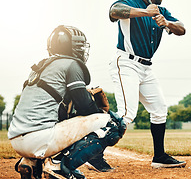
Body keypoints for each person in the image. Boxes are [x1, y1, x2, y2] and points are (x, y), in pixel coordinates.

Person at [8, 25, 126, 179]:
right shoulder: (71, 64)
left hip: (17, 138)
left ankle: (31, 162)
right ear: (72, 47)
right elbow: (84, 106)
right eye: (80, 46)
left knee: (66, 118)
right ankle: (58, 166)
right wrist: (101, 112)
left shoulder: (40, 66)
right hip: (39, 138)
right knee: (114, 124)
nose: (83, 50)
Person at [108, 0, 186, 168]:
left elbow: (182, 29)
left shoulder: (161, 10)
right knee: (127, 114)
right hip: (126, 62)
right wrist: (145, 13)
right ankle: (92, 153)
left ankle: (159, 157)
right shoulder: (132, 2)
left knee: (159, 110)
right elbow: (113, 11)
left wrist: (165, 22)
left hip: (146, 67)